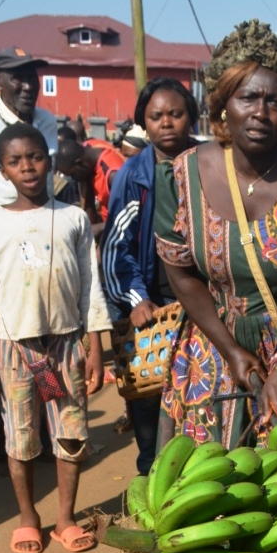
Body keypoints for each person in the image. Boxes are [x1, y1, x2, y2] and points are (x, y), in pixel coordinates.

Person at [154, 19, 277, 443]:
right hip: (215, 346)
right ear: (224, 101)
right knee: (210, 486)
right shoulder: (179, 177)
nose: (261, 113)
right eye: (248, 97)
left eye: (276, 102)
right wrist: (230, 351)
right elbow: (181, 275)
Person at [0, 123, 111, 553]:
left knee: (71, 434)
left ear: (49, 161)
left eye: (34, 157)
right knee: (21, 439)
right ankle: (28, 517)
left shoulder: (72, 218)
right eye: (15, 161)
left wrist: (95, 346)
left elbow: (90, 284)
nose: (27, 167)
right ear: (3, 170)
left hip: (66, 345)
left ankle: (65, 518)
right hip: (16, 348)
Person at [101, 77, 199, 474]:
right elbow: (115, 247)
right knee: (149, 394)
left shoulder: (209, 162)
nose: (166, 123)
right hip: (151, 297)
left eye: (175, 114)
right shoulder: (132, 175)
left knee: (198, 389)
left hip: (201, 294)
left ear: (190, 116)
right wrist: (135, 298)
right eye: (156, 116)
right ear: (144, 121)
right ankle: (150, 472)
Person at [0, 46, 58, 472]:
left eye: (33, 76)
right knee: (0, 336)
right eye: (16, 77)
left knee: (39, 334)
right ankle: (2, 442)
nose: (27, 85)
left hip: (39, 238)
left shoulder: (46, 122)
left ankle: (42, 433)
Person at [55, 135, 125, 232]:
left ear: (79, 164)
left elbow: (132, 215)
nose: (74, 179)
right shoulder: (88, 147)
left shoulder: (113, 176)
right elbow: (88, 201)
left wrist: (99, 228)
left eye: (72, 174)